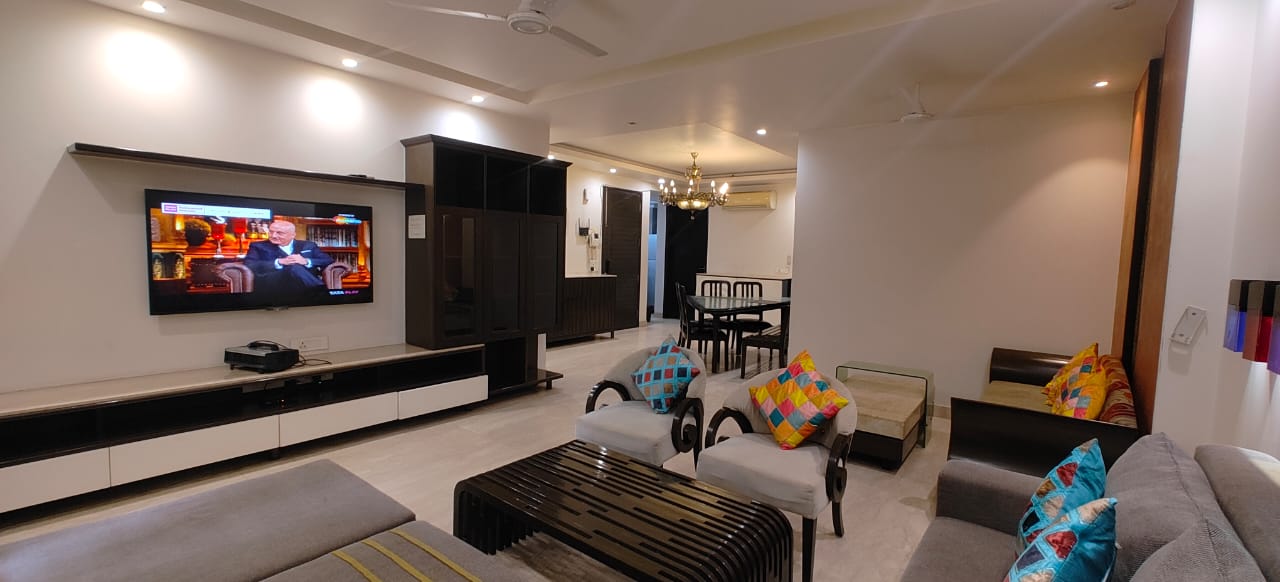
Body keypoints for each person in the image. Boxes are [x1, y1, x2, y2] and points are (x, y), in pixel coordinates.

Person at [242, 219, 333, 294]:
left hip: (302, 286)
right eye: (271, 232)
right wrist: (278, 262)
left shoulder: (308, 245)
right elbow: (249, 264)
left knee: (295, 267)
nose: (273, 236)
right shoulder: (258, 246)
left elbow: (328, 260)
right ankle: (323, 293)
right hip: (273, 283)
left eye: (280, 233)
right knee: (293, 267)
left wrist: (306, 261)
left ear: (292, 235)